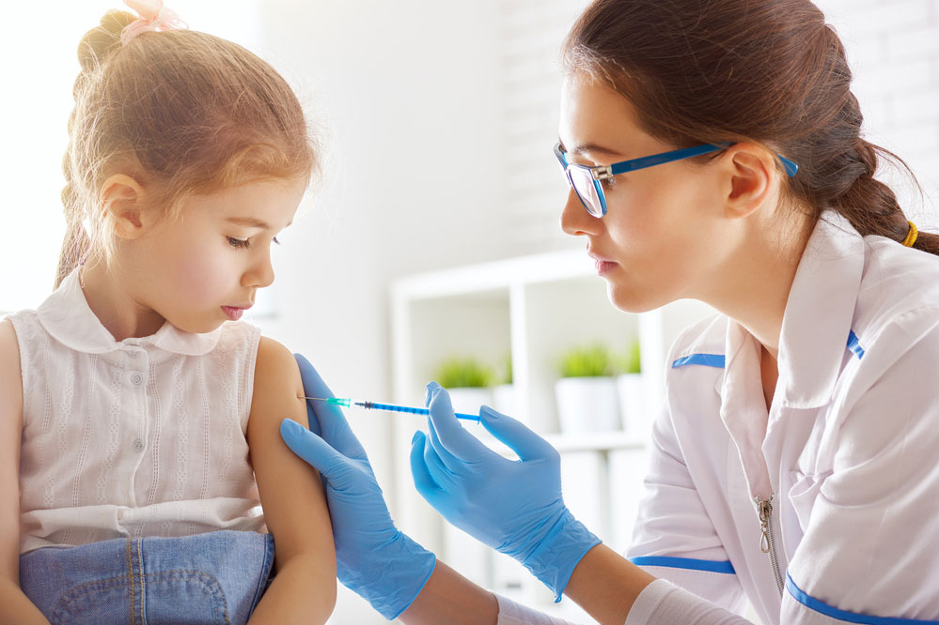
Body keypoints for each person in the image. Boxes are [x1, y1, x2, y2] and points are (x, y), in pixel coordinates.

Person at [279, 0, 939, 623]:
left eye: (599, 176)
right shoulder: (700, 373)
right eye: (567, 170)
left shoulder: (914, 347)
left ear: (742, 180)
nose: (569, 218)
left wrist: (553, 544)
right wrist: (395, 572)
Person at [0, 2, 336, 623]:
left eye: (273, 240)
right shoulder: (13, 361)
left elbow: (310, 565)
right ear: (127, 209)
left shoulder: (261, 368)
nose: (264, 273)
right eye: (240, 238)